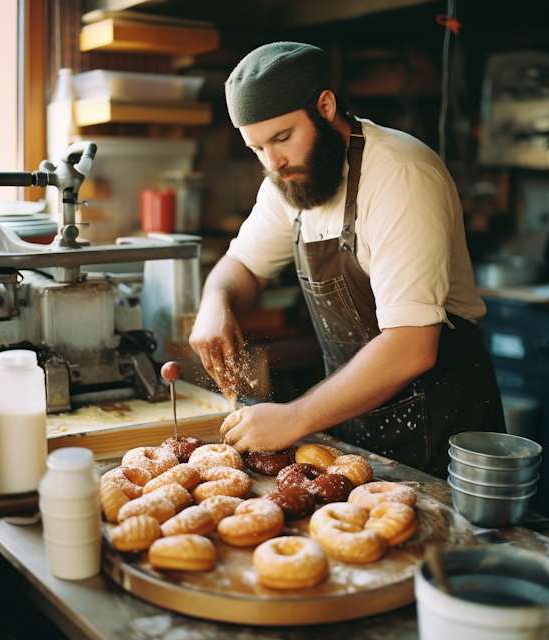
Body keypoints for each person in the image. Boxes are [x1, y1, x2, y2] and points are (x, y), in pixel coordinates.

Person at [189, 41, 505, 478]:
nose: (273, 163)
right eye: (256, 148)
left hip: (442, 432)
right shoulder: (289, 180)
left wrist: (293, 418)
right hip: (355, 424)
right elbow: (241, 265)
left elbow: (411, 347)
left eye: (282, 138)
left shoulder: (400, 176)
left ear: (325, 105)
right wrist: (214, 303)